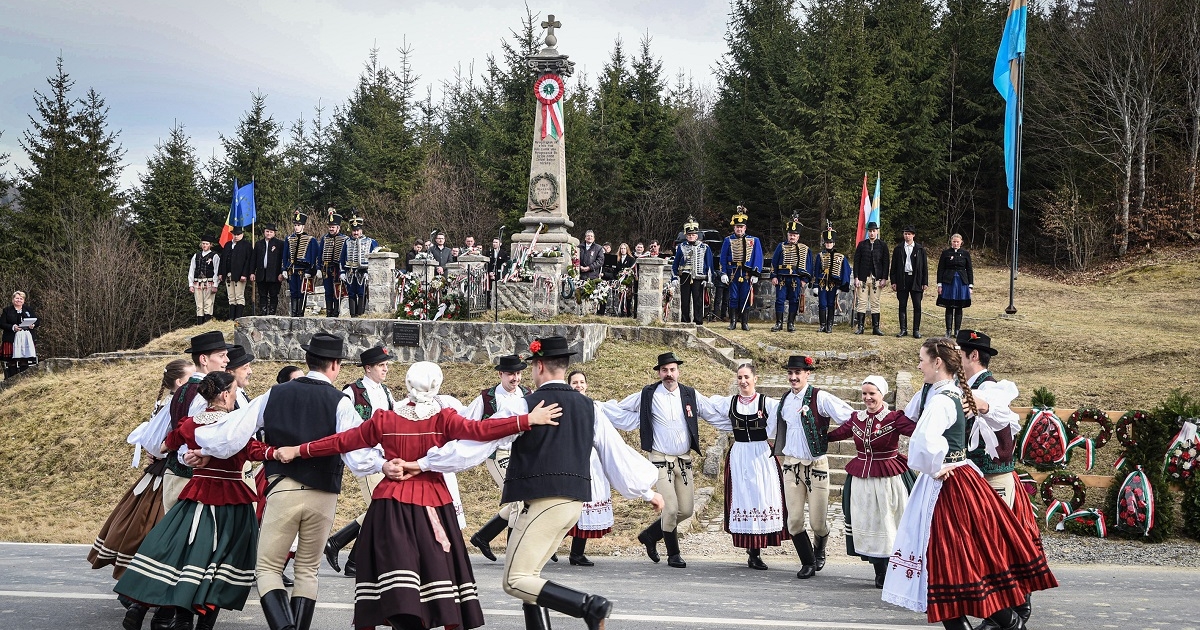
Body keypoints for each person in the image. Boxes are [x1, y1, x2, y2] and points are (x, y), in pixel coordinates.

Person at [401, 335, 663, 630]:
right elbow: (618, 457)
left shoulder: (525, 405)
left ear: (539, 366)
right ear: (563, 367)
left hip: (543, 502)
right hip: (573, 503)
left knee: (515, 580)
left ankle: (590, 606)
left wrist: (422, 463)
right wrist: (647, 491)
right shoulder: (590, 408)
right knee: (531, 580)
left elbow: (474, 446)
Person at [275, 362, 561, 630]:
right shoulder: (444, 418)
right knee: (434, 569)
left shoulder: (385, 419)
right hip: (432, 501)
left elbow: (341, 441)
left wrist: (299, 450)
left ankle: (404, 618)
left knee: (396, 573)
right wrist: (526, 420)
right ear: (436, 385)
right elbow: (481, 431)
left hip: (389, 504)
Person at [192, 332, 384, 630]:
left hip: (283, 490)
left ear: (307, 360)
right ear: (334, 365)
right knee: (308, 571)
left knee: (267, 568)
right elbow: (357, 455)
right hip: (324, 494)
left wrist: (202, 447)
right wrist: (386, 462)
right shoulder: (340, 402)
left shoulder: (274, 394)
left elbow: (233, 436)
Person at [884, 338, 1057, 630]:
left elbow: (922, 443)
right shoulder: (952, 392)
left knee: (950, 564)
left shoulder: (942, 398)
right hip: (965, 479)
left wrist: (935, 466)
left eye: (922, 359)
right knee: (962, 564)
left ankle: (1012, 620)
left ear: (937, 363)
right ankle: (1010, 621)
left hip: (948, 485)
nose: (918, 365)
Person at [116, 372, 275, 630]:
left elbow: (165, 445)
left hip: (196, 495)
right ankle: (199, 623)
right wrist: (277, 452)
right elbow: (251, 449)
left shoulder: (190, 424)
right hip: (231, 500)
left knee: (183, 556)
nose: (235, 396)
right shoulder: (233, 425)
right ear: (225, 395)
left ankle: (168, 614)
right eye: (233, 392)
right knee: (221, 564)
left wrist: (183, 454)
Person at [955, 330, 1039, 629]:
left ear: (972, 355)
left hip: (994, 479)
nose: (954, 357)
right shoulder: (962, 386)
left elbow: (998, 411)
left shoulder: (992, 388)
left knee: (998, 545)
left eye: (958, 352)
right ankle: (1001, 610)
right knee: (984, 546)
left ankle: (1018, 606)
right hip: (973, 479)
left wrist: (981, 404)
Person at [90, 359, 194, 590]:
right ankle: (143, 587)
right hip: (165, 475)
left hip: (166, 470)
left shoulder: (174, 402)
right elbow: (156, 441)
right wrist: (159, 452)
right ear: (179, 382)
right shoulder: (172, 404)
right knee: (152, 529)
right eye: (190, 377)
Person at [603, 351, 710, 570]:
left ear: (678, 371)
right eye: (664, 370)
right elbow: (620, 408)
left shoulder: (690, 394)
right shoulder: (648, 394)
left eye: (672, 370)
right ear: (659, 372)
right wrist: (594, 407)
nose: (668, 374)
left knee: (686, 510)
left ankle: (650, 535)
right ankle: (674, 554)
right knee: (670, 509)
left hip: (683, 459)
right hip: (659, 460)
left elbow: (711, 410)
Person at [825, 376, 917, 588]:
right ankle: (879, 570)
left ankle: (896, 567)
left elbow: (916, 431)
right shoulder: (857, 418)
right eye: (864, 394)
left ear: (881, 395)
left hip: (888, 479)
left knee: (888, 522)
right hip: (862, 481)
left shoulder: (894, 418)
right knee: (869, 522)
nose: (867, 398)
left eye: (872, 394)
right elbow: (839, 433)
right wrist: (817, 436)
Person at [772, 355, 854, 578]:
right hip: (791, 466)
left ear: (808, 374)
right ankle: (807, 562)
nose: (793, 377)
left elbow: (850, 417)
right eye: (790, 373)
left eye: (798, 373)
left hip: (816, 465)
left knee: (818, 523)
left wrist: (830, 437)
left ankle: (820, 547)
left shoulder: (820, 397)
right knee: (794, 521)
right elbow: (777, 430)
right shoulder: (785, 400)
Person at [703, 363, 785, 569]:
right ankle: (752, 552)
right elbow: (706, 406)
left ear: (755, 379)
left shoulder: (767, 403)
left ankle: (758, 546)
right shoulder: (729, 403)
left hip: (761, 454)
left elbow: (784, 416)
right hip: (739, 453)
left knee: (761, 497)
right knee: (744, 498)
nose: (743, 381)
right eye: (740, 377)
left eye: (747, 377)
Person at [323, 345, 395, 578]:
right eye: (381, 366)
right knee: (381, 507)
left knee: (381, 508)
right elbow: (342, 423)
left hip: (383, 456)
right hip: (363, 456)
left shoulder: (386, 392)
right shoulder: (352, 391)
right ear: (368, 368)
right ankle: (352, 557)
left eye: (386, 365)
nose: (386, 369)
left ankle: (341, 546)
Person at [464, 354, 533, 562]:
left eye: (519, 373)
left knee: (521, 501)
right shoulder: (486, 398)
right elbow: (468, 424)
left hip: (521, 453)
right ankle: (513, 553)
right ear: (501, 374)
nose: (516, 378)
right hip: (498, 454)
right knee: (519, 499)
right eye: (511, 374)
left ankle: (483, 537)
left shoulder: (528, 394)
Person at [163, 331, 234, 515]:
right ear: (203, 359)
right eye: (221, 355)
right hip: (191, 480)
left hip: (174, 476)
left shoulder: (181, 389)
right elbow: (194, 435)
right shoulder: (205, 394)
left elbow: (168, 431)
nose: (227, 360)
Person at [564, 370, 614, 566]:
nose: (578, 385)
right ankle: (548, 549)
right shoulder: (565, 406)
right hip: (570, 458)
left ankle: (576, 553)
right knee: (565, 506)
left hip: (592, 459)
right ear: (568, 385)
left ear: (586, 385)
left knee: (586, 504)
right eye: (575, 382)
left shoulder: (594, 406)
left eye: (581, 382)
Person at [719, 206, 764, 331]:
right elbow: (722, 258)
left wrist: (756, 273)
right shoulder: (728, 240)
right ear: (734, 228)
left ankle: (744, 322)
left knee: (745, 297)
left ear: (745, 228)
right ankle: (733, 322)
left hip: (747, 274)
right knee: (733, 297)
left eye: (741, 227)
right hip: (733, 272)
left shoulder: (754, 240)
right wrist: (723, 273)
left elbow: (758, 257)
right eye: (737, 227)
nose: (739, 229)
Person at [770, 216, 814, 333]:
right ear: (787, 235)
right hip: (782, 277)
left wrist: (805, 279)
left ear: (798, 236)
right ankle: (779, 323)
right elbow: (774, 262)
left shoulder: (805, 249)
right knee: (779, 300)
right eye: (790, 234)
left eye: (794, 235)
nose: (792, 237)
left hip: (796, 278)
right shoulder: (781, 246)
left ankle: (791, 323)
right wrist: (773, 276)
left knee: (794, 301)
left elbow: (809, 266)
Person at [672, 217, 714, 326]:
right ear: (686, 236)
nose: (691, 236)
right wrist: (674, 277)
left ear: (697, 235)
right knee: (685, 301)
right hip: (685, 277)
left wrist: (709, 280)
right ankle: (685, 321)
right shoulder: (681, 247)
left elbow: (709, 265)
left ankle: (698, 321)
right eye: (689, 235)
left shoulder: (705, 247)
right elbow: (675, 264)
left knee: (698, 300)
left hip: (699, 278)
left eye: (693, 234)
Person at [890, 225, 928, 339]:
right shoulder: (898, 249)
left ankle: (916, 330)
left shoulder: (920, 249)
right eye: (905, 234)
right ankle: (903, 329)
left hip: (916, 279)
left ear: (913, 235)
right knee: (902, 304)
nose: (907, 236)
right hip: (902, 279)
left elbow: (925, 267)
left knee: (917, 305)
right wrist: (893, 281)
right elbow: (894, 267)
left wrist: (924, 282)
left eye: (909, 234)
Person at [853, 221, 889, 336]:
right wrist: (856, 277)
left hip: (876, 278)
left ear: (877, 231)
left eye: (874, 231)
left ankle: (876, 328)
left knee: (875, 302)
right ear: (868, 232)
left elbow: (886, 263)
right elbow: (856, 262)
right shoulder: (862, 245)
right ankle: (860, 327)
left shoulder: (882, 245)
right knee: (862, 302)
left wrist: (884, 278)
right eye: (870, 231)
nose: (872, 233)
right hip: (863, 278)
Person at [813, 226, 851, 334]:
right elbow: (816, 271)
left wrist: (841, 287)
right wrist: (815, 286)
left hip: (834, 284)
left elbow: (846, 271)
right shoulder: (820, 256)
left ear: (834, 243)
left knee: (831, 304)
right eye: (827, 242)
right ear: (824, 243)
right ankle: (822, 325)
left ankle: (829, 326)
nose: (828, 244)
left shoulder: (841, 256)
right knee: (822, 303)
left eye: (830, 242)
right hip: (821, 283)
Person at [343, 214, 381, 318]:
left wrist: (369, 272)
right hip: (350, 272)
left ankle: (360, 315)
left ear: (361, 230)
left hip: (363, 272)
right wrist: (342, 272)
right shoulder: (347, 242)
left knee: (361, 293)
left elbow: (375, 259)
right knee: (351, 293)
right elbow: (342, 258)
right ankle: (353, 315)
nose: (356, 232)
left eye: (358, 230)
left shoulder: (370, 242)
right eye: (354, 230)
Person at [936, 234, 974, 337]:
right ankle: (948, 330)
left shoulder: (966, 254)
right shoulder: (945, 253)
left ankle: (957, 330)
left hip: (962, 283)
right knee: (949, 306)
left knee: (959, 307)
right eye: (954, 242)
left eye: (957, 242)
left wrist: (970, 285)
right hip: (948, 282)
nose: (955, 243)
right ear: (951, 242)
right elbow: (940, 269)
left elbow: (969, 270)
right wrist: (939, 284)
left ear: (961, 242)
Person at [283, 210, 317, 318]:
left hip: (303, 271)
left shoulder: (311, 240)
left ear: (303, 226)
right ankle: (294, 313)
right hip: (292, 270)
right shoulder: (289, 239)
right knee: (294, 292)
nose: (296, 227)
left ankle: (300, 313)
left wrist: (310, 271)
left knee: (302, 292)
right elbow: (285, 256)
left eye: (298, 225)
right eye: (295, 225)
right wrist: (284, 269)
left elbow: (313, 257)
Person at [316, 209, 349, 318]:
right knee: (328, 291)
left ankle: (336, 312)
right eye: (330, 226)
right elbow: (319, 254)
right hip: (326, 268)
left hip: (338, 269)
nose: (331, 228)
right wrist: (318, 268)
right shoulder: (325, 238)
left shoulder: (344, 239)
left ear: (338, 227)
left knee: (337, 292)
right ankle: (329, 312)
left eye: (333, 227)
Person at [220, 226, 254, 320]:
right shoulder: (227, 245)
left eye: (238, 234)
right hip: (228, 274)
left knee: (239, 295)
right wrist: (221, 273)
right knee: (231, 296)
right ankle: (232, 318)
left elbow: (248, 261)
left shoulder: (246, 245)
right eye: (234, 234)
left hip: (240, 275)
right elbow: (223, 260)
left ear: (242, 234)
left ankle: (238, 318)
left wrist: (245, 274)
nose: (236, 236)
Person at [252, 223, 286, 316]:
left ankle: (272, 313)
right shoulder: (259, 244)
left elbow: (283, 259)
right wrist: (252, 272)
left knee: (273, 294)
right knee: (262, 294)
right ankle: (263, 312)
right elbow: (254, 259)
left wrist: (281, 272)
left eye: (271, 232)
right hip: (261, 273)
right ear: (264, 232)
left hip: (274, 274)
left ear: (274, 233)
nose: (268, 233)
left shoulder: (280, 244)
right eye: (267, 231)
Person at [2, 290, 37, 379]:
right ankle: (11, 380)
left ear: (24, 300)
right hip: (11, 338)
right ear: (13, 299)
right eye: (17, 298)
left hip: (26, 338)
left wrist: (33, 325)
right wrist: (13, 327)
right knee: (11, 361)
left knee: (25, 359)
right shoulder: (7, 310)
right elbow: (1, 323)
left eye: (21, 298)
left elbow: (37, 321)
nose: (19, 300)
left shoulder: (28, 309)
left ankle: (23, 380)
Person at [188, 236, 221, 325]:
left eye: (206, 244)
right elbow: (192, 270)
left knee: (208, 303)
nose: (204, 245)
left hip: (209, 282)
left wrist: (215, 284)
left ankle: (207, 325)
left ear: (210, 245)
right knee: (199, 305)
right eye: (203, 244)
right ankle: (200, 325)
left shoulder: (215, 256)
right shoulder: (196, 255)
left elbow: (217, 271)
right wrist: (190, 284)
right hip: (197, 282)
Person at [614, 243, 636, 317]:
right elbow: (615, 270)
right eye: (621, 248)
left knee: (628, 297)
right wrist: (618, 276)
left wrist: (627, 275)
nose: (623, 250)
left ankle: (629, 312)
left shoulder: (631, 259)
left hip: (628, 282)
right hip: (620, 281)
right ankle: (621, 313)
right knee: (621, 297)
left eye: (624, 248)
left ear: (627, 249)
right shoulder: (617, 259)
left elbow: (632, 271)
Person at [486, 238, 509, 309]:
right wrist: (489, 272)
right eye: (493, 242)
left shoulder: (504, 253)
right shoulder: (489, 252)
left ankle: (497, 305)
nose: (494, 244)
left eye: (496, 242)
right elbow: (487, 263)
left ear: (500, 244)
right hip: (490, 273)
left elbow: (506, 263)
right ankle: (488, 305)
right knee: (488, 289)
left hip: (499, 273)